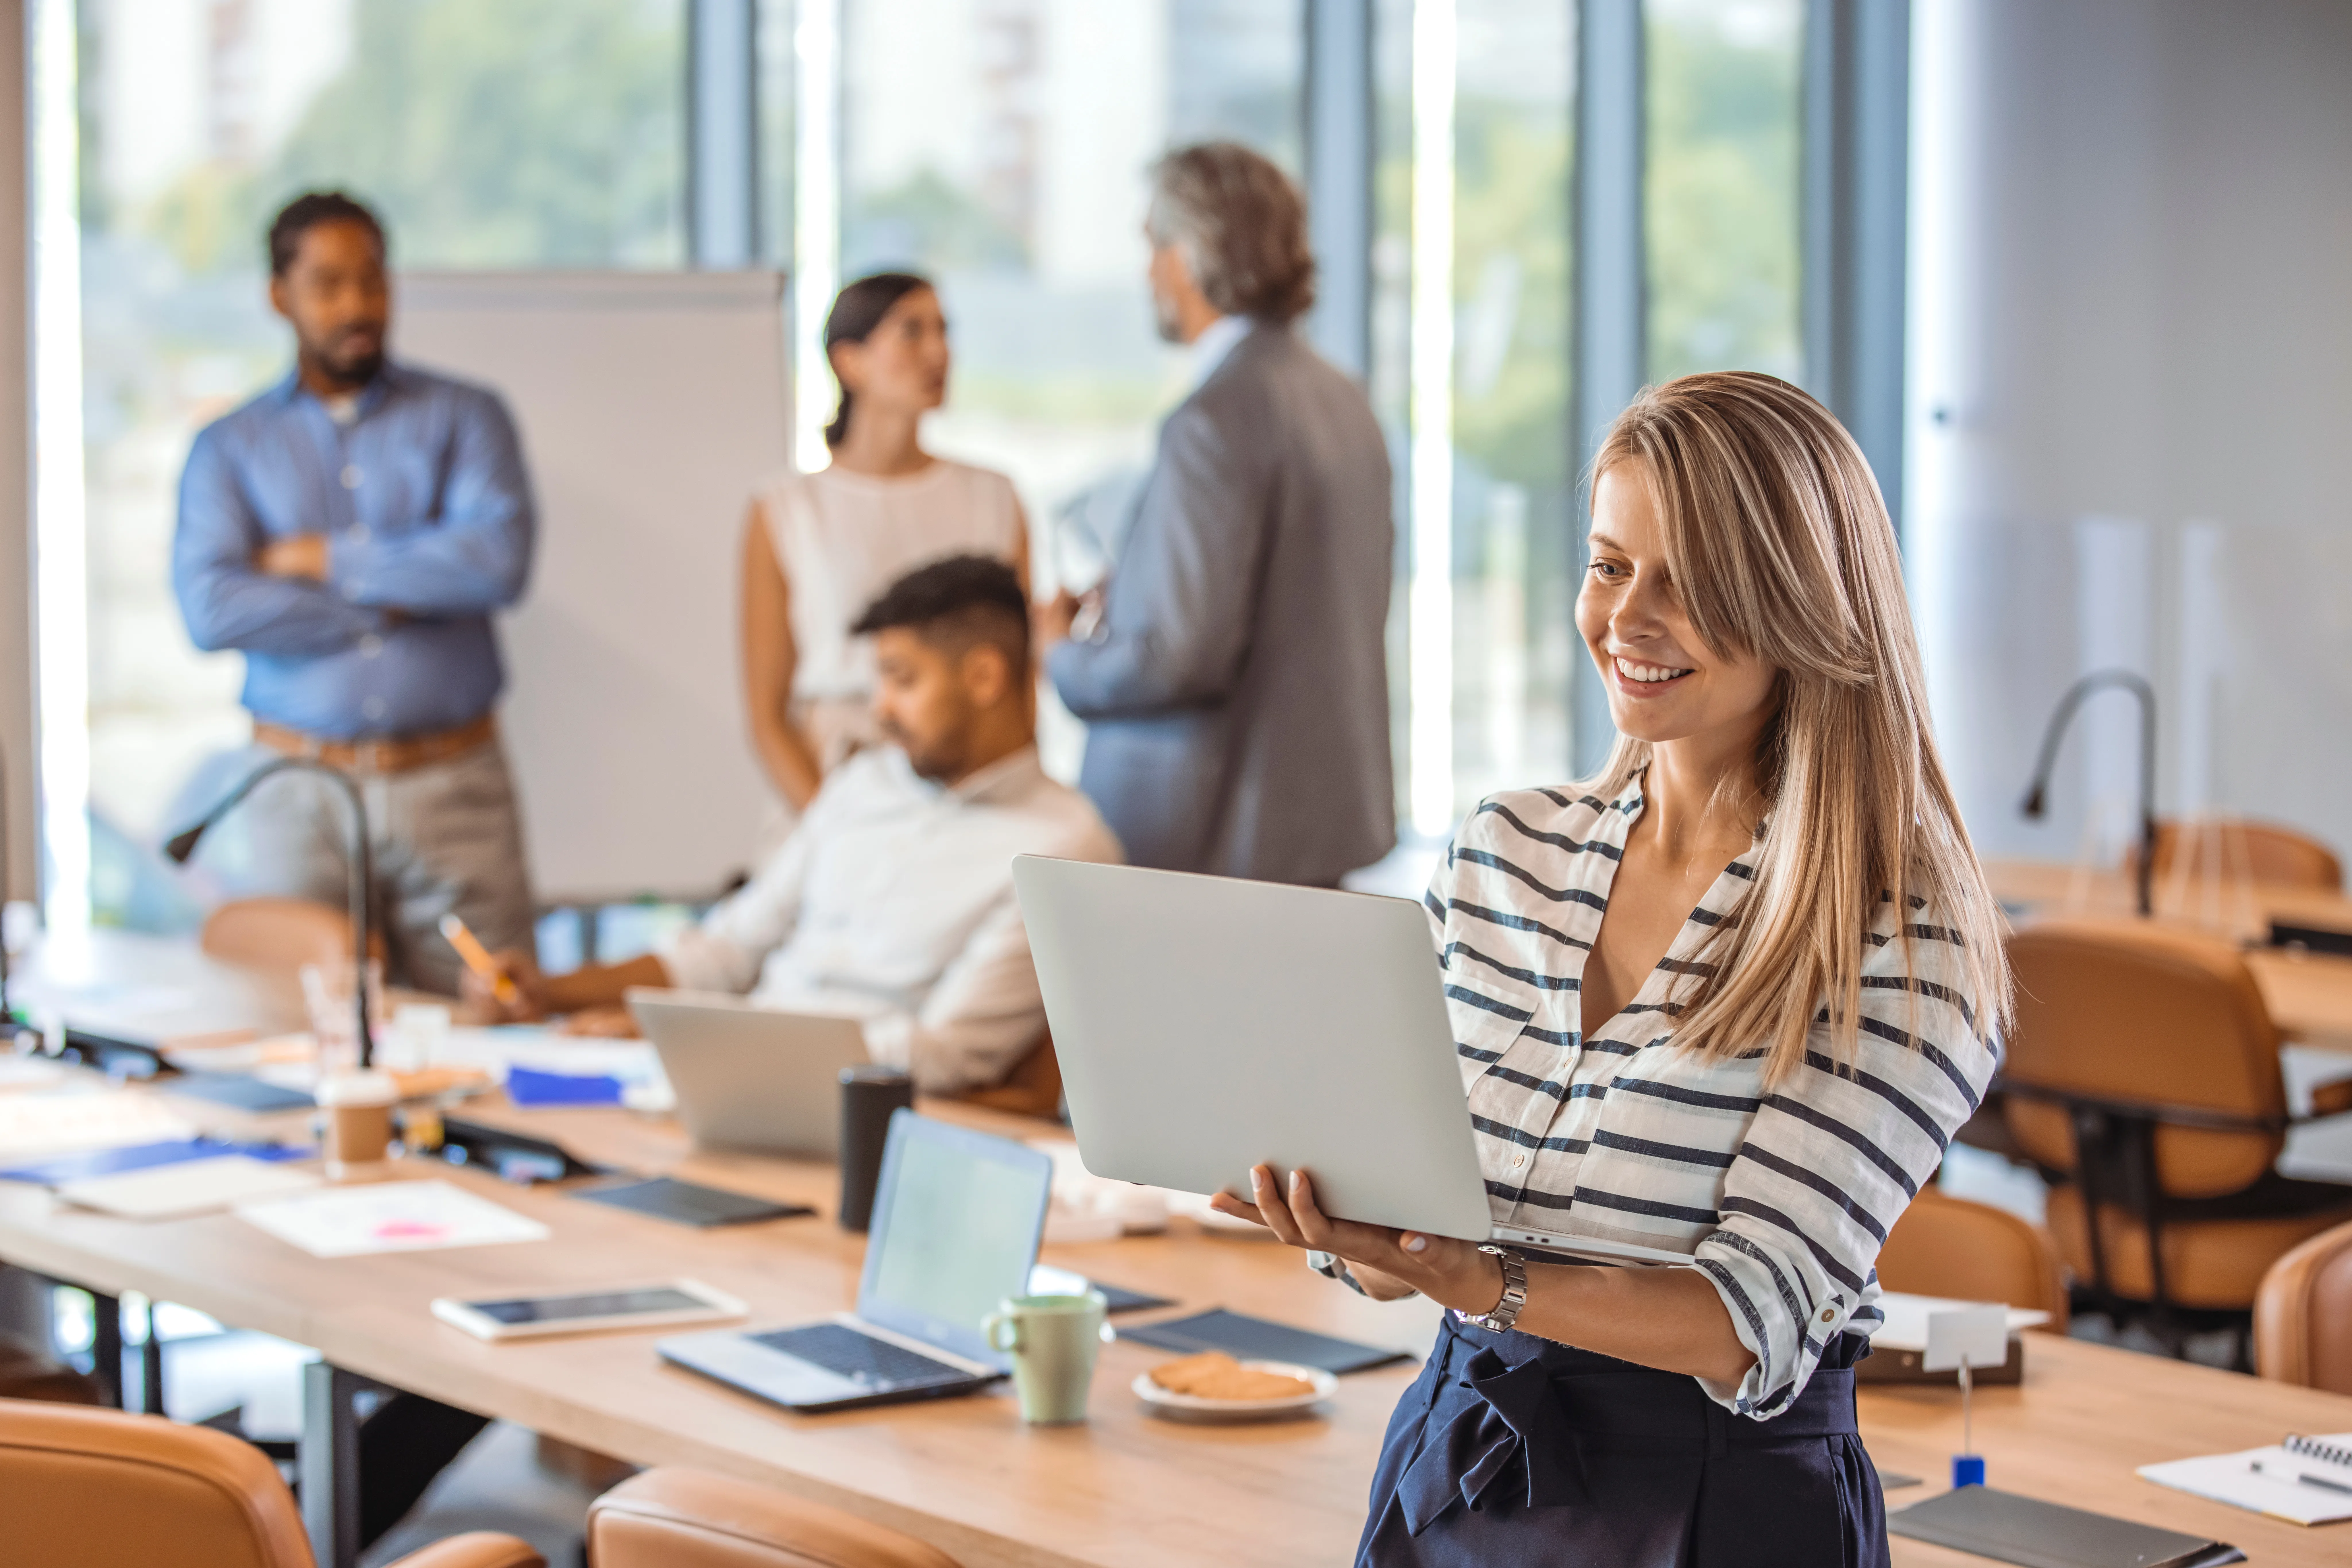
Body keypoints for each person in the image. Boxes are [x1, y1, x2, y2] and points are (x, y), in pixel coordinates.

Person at [1210, 374, 2012, 1564]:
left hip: (1712, 1503)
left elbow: (1752, 1319)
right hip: (1458, 1458)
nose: (1627, 617)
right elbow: (1414, 1243)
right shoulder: (1504, 852)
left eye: (1686, 582)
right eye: (1609, 565)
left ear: (1800, 605)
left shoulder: (1898, 932)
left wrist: (1484, 1282)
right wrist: (1357, 1232)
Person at [472, 556, 1119, 1094]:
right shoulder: (863, 785)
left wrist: (709, 1041)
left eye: (902, 680)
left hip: (857, 1115)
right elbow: (726, 951)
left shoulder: (1062, 848)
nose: (880, 709)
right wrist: (553, 994)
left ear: (984, 677)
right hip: (730, 1081)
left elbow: (946, 1054)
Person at [172, 191, 537, 995]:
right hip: (297, 787)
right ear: (280, 296)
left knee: (496, 1012)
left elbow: (496, 563)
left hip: (454, 783)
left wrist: (325, 558)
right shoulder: (230, 447)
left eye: (372, 281)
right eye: (329, 284)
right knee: (307, 1029)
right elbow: (213, 609)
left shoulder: (466, 417)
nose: (357, 305)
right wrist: (401, 592)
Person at [1037, 142, 1394, 887]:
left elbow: (1181, 656)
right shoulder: (1342, 397)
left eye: (1154, 246)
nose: (1148, 273)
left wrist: (1059, 655)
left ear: (1193, 255)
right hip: (1312, 818)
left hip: (1210, 833)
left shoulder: (1214, 418)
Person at [742, 272, 1030, 816]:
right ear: (849, 362)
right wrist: (831, 835)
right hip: (831, 792)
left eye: (944, 332)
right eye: (911, 332)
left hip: (967, 794)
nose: (939, 353)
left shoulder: (994, 497)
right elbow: (768, 715)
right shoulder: (786, 509)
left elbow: (1021, 679)